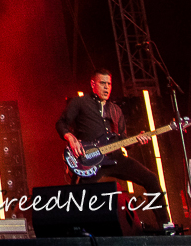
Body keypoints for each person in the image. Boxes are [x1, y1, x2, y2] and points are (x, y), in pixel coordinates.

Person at [56, 68, 170, 228]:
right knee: (79, 193)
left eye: (109, 84)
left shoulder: (116, 110)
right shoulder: (79, 103)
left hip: (115, 158)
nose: (106, 87)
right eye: (102, 83)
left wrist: (137, 140)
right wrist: (70, 137)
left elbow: (123, 140)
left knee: (151, 179)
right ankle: (76, 229)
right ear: (93, 84)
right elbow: (61, 123)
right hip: (90, 160)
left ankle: (166, 225)